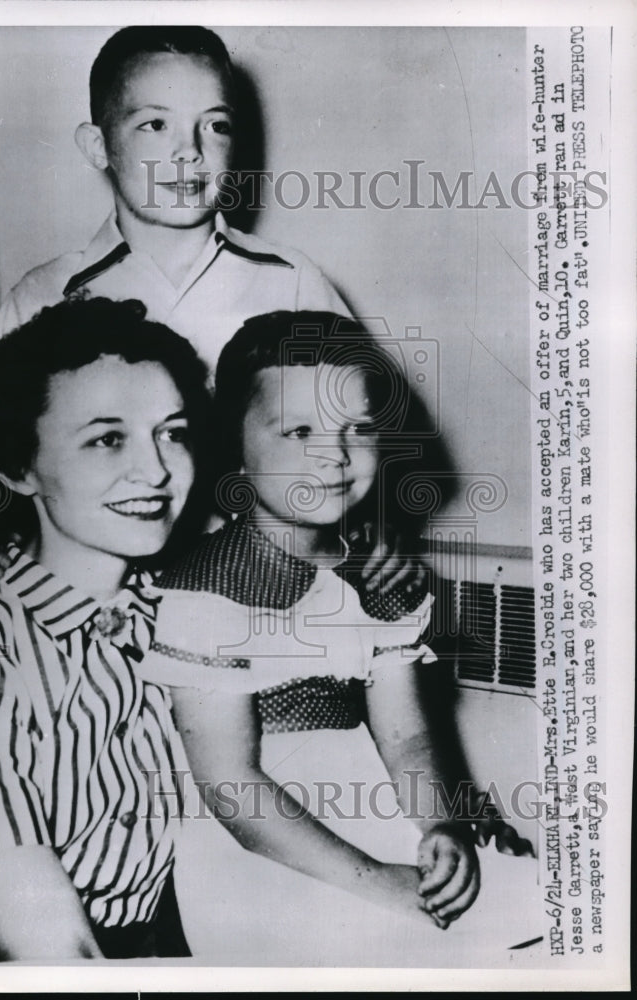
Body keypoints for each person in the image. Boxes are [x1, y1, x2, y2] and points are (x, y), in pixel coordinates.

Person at [0, 24, 419, 602]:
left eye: (214, 125)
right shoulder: (48, 292)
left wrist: (377, 533)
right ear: (97, 145)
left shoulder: (291, 280)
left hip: (251, 593)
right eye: (154, 124)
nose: (188, 151)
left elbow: (362, 425)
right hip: (100, 598)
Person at [138, 311, 537, 964]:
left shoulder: (376, 578)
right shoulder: (208, 590)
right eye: (299, 431)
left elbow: (406, 738)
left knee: (540, 912)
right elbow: (231, 785)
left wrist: (440, 825)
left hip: (375, 813)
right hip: (266, 853)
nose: (334, 454)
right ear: (233, 444)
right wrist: (378, 882)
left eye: (358, 428)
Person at [0, 297, 213, 962]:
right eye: (107, 439)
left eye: (172, 433)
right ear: (19, 466)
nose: (155, 471)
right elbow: (49, 951)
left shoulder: (181, 613)